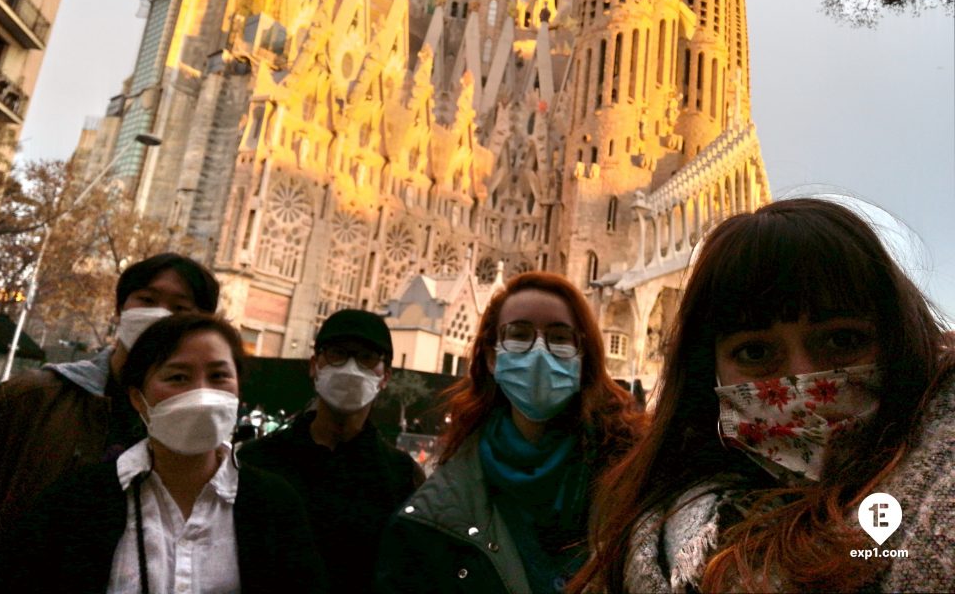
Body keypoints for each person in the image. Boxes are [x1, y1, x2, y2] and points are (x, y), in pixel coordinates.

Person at [571, 198, 955, 593]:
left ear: (901, 341)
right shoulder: (647, 541)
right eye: (756, 352)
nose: (803, 378)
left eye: (842, 340)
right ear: (708, 373)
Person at [0, 253, 219, 594]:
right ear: (120, 310)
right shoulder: (30, 400)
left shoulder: (202, 440)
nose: (159, 315)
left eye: (179, 308)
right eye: (147, 299)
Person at [0, 312, 326, 593]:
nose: (201, 394)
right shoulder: (77, 500)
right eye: (178, 377)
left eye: (219, 375)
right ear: (138, 398)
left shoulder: (275, 506)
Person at [375, 271, 644, 593]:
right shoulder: (434, 515)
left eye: (559, 338)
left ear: (583, 357)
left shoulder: (637, 484)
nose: (539, 351)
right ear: (491, 357)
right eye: (519, 334)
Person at [238, 308, 424, 594]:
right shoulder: (255, 462)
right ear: (314, 365)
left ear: (385, 377)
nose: (351, 368)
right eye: (338, 353)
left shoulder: (403, 477)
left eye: (366, 358)